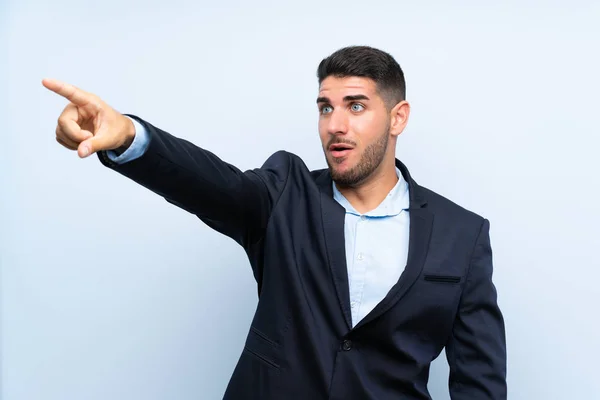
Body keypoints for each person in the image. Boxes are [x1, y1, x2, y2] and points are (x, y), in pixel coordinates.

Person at [43, 46, 507, 399]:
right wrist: (128, 135)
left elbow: (480, 380)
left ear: (397, 118)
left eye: (356, 105)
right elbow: (210, 183)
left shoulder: (461, 235)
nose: (335, 125)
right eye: (326, 107)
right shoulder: (285, 192)